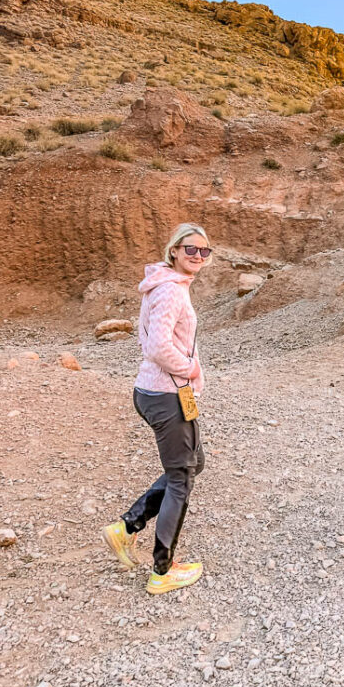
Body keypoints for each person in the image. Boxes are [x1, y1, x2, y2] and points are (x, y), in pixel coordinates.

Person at [102, 223, 212, 595]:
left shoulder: (165, 285)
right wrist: (192, 368)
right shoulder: (170, 291)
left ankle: (127, 527)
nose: (197, 256)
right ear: (174, 250)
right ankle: (162, 571)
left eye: (203, 251)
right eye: (190, 249)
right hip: (166, 395)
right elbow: (158, 348)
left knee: (193, 464)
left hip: (157, 392)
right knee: (181, 478)